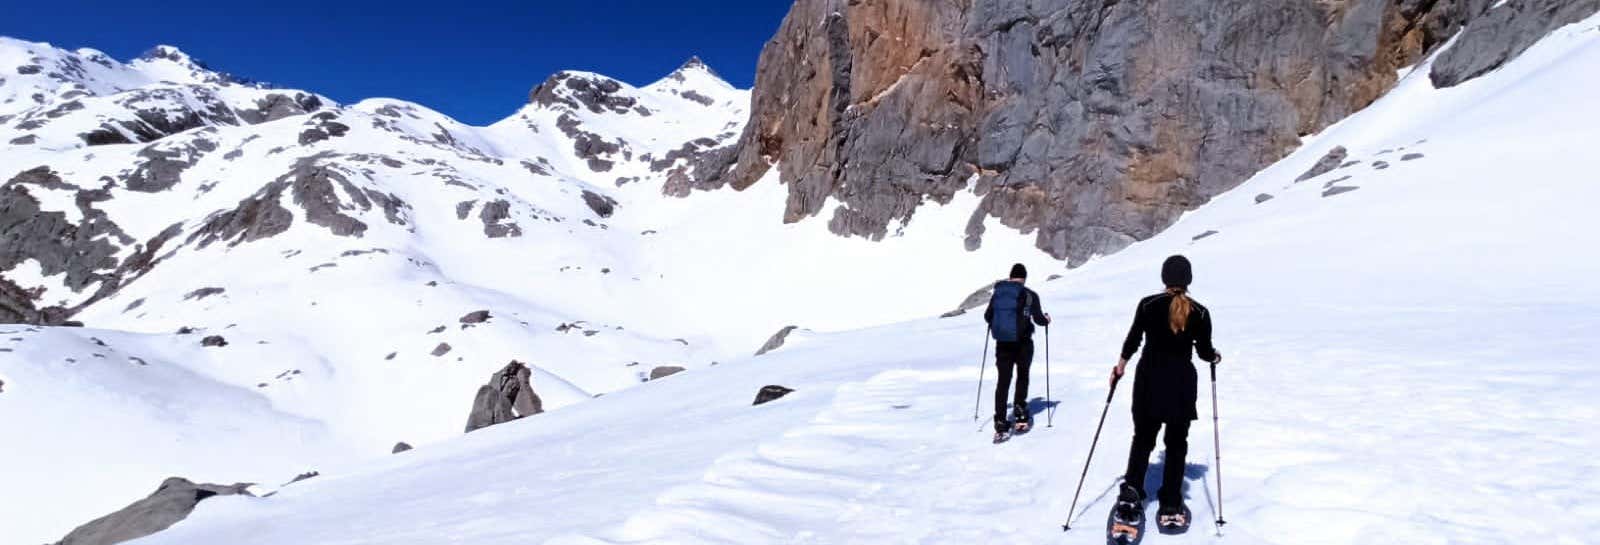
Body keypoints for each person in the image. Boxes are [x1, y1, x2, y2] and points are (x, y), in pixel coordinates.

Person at [1109, 255, 1221, 528]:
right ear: (1188, 280)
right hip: (1181, 383)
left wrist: (1120, 367)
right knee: (1176, 443)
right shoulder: (1201, 312)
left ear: (1164, 278)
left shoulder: (1148, 304)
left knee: (1144, 438)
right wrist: (1214, 357)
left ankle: (1132, 491)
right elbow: (1204, 352)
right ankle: (1171, 499)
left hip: (1149, 379)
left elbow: (1133, 339)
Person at [984, 263, 1050, 435]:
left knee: (1003, 381)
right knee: (1022, 375)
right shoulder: (1029, 295)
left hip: (1003, 344)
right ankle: (1020, 410)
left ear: (1010, 276)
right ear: (1024, 278)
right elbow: (1039, 319)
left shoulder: (998, 294)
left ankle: (1000, 420)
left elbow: (987, 316)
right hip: (1023, 343)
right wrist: (1047, 319)